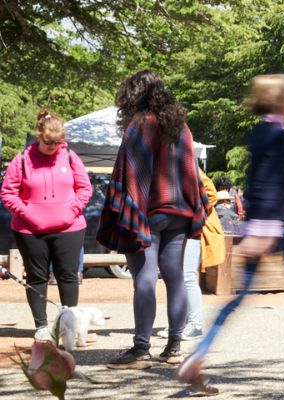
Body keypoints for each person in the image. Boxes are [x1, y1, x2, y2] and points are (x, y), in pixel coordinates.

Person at [178, 74, 284, 393]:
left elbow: (262, 184)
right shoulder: (279, 135)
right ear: (283, 101)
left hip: (262, 223)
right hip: (278, 226)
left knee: (240, 297)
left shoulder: (261, 132)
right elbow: (271, 185)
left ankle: (198, 357)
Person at [99, 71, 209, 369]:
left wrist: (125, 210)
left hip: (147, 213)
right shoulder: (181, 127)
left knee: (145, 279)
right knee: (174, 278)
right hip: (180, 210)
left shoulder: (139, 125)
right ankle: (174, 348)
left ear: (134, 95)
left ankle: (140, 350)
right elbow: (191, 171)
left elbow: (128, 173)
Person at [1, 109, 92, 342]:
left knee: (68, 275)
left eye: (58, 143)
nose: (53, 147)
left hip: (69, 228)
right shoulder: (22, 159)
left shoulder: (70, 156)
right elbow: (8, 193)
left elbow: (85, 188)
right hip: (30, 230)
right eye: (48, 143)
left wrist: (71, 210)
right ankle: (41, 326)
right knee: (36, 277)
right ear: (39, 135)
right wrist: (27, 213)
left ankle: (70, 324)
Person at [157, 170, 225, 341]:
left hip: (193, 230)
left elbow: (211, 194)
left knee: (187, 276)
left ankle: (195, 324)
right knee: (177, 276)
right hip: (179, 229)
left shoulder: (184, 160)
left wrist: (194, 214)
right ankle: (179, 324)